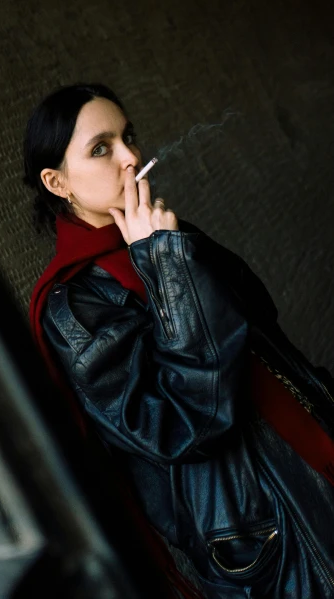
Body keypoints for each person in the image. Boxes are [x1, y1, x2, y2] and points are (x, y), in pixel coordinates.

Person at [23, 82, 334, 599]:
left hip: (314, 444)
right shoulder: (74, 308)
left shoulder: (167, 237)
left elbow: (261, 327)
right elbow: (185, 425)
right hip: (264, 527)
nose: (130, 157)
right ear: (58, 182)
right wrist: (166, 267)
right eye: (101, 148)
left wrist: (170, 253)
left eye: (129, 137)